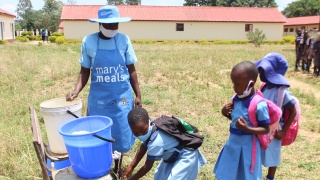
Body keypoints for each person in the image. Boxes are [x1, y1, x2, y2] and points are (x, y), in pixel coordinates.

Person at [66, 5, 142, 175]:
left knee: (120, 132)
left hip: (121, 98)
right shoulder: (89, 41)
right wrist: (76, 90)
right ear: (99, 24)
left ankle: (116, 167)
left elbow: (131, 69)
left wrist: (138, 94)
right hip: (99, 100)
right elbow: (85, 70)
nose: (113, 28)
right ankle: (101, 165)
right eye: (109, 25)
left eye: (116, 25)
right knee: (98, 133)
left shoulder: (124, 40)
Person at [214, 61, 270, 180]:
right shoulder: (237, 99)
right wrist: (225, 113)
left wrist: (247, 128)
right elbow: (236, 120)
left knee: (245, 174)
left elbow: (266, 129)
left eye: (238, 84)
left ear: (251, 84)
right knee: (229, 172)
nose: (235, 88)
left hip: (248, 147)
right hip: (233, 144)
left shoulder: (259, 105)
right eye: (233, 84)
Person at [123, 107, 207, 180]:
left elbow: (147, 166)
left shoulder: (156, 143)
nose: (140, 135)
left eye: (143, 131)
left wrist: (132, 178)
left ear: (149, 122)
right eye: (135, 133)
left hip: (185, 157)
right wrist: (131, 167)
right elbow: (143, 147)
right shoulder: (151, 128)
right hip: (173, 156)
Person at [254, 53, 297, 180]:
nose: (260, 72)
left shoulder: (282, 91)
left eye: (263, 70)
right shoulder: (263, 87)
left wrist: (284, 131)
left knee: (272, 155)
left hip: (275, 130)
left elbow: (293, 111)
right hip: (262, 126)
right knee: (259, 152)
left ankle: (270, 177)